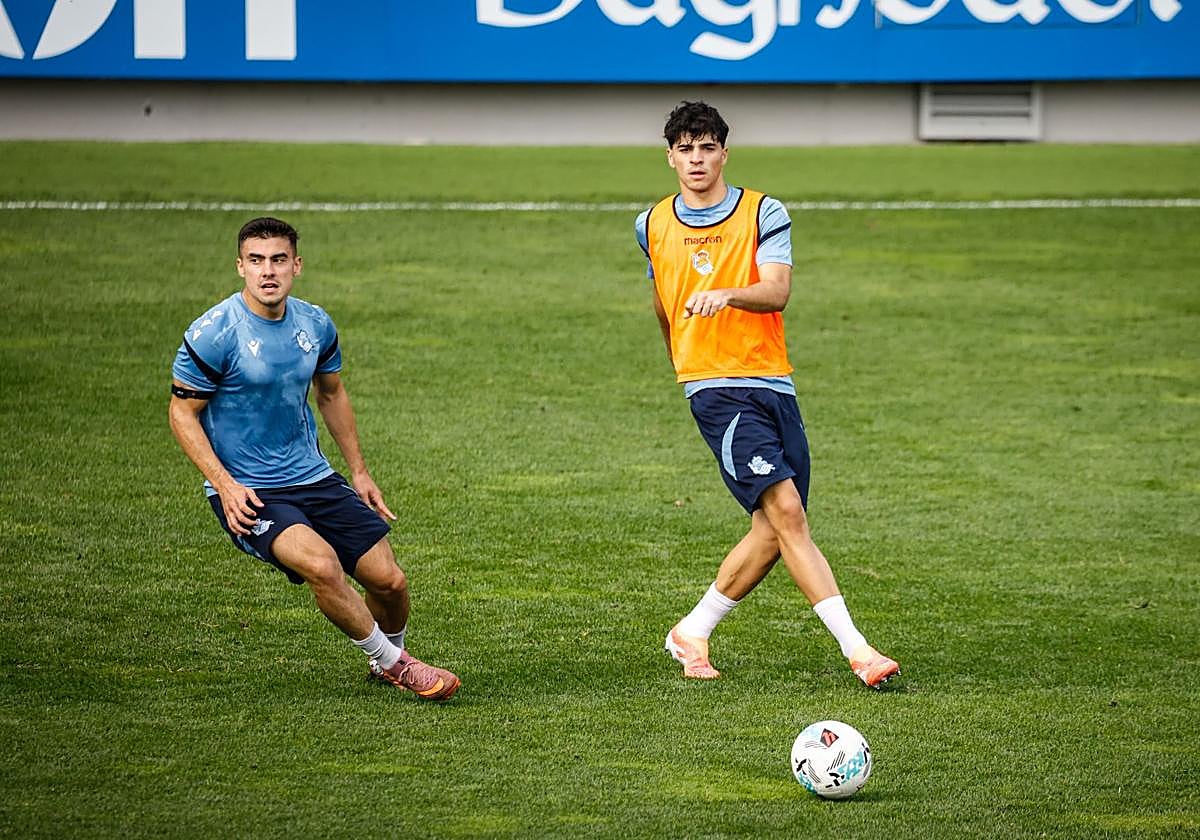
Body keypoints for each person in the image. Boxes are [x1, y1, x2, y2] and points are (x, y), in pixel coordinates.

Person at [634, 102, 899, 688]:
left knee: (776, 529)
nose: (696, 160)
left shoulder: (763, 211)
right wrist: (683, 359)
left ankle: (692, 631)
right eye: (684, 149)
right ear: (669, 155)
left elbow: (776, 291)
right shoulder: (651, 223)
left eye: (706, 148)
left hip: (772, 381)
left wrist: (726, 294)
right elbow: (664, 305)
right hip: (713, 387)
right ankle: (859, 651)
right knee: (786, 512)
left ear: (724, 152)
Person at [168, 217, 459, 700]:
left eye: (279, 260)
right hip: (248, 489)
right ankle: (397, 665)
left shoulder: (315, 324)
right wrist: (223, 483)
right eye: (257, 260)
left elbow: (332, 394)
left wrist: (360, 471)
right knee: (322, 566)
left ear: (296, 266)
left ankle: (388, 658)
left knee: (390, 583)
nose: (268, 271)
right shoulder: (214, 332)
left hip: (313, 477)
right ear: (240, 266)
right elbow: (182, 413)